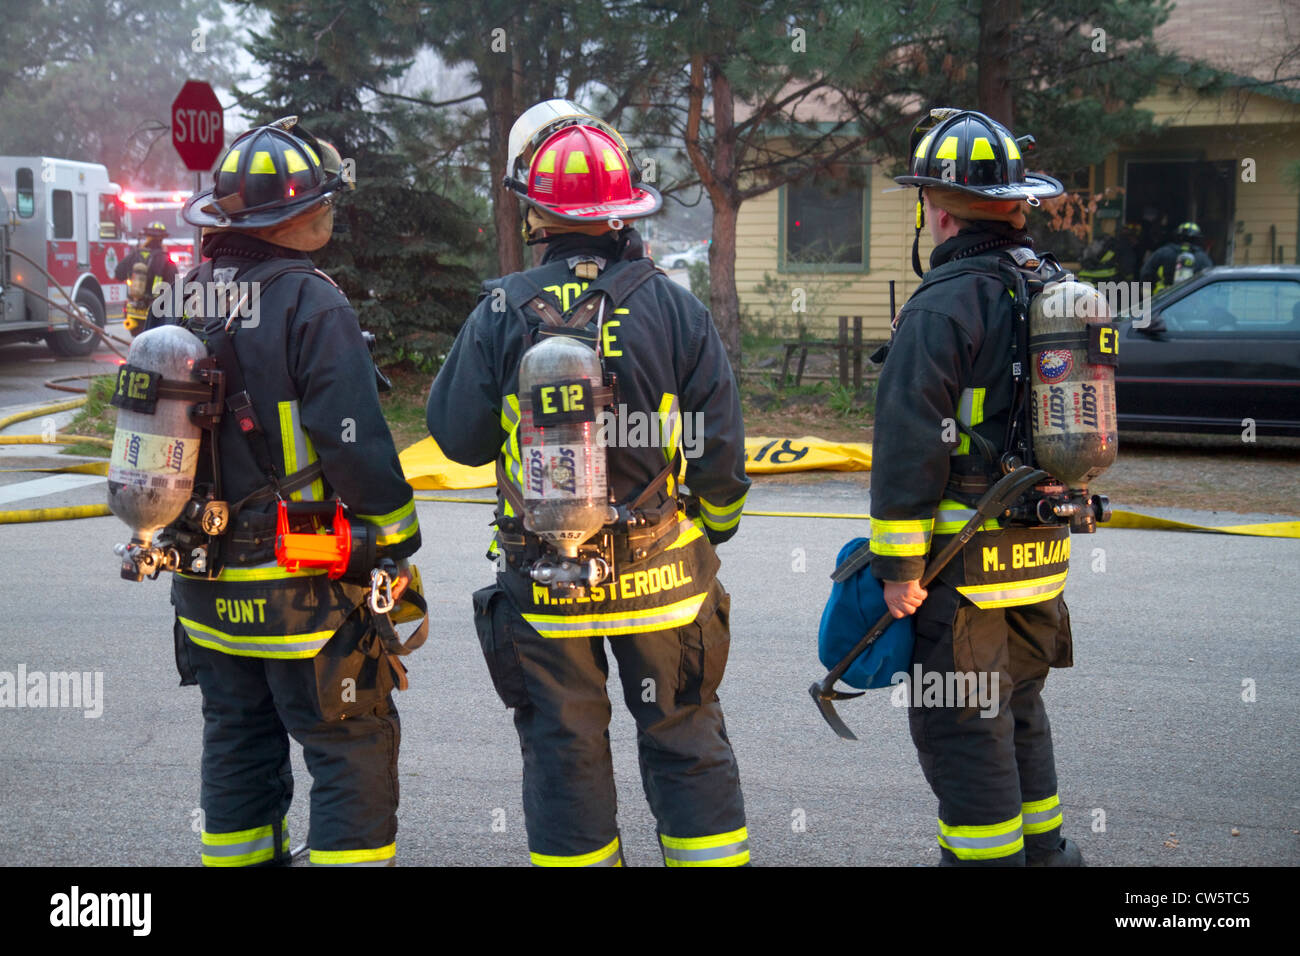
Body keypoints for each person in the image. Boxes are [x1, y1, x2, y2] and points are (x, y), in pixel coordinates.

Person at [427, 100, 750, 867]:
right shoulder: (672, 306)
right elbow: (721, 447)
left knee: (565, 750)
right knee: (683, 733)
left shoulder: (503, 309)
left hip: (544, 582)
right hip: (663, 574)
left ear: (535, 209)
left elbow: (457, 438)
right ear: (626, 208)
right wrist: (716, 523)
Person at [160, 116, 421, 866]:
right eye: (324, 204)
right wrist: (396, 545)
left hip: (203, 587)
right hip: (301, 588)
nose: (331, 215)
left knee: (237, 742)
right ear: (294, 217)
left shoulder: (183, 295)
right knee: (349, 743)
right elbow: (354, 443)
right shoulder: (314, 303)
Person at [875, 107, 1084, 866]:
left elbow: (906, 451)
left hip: (962, 574)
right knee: (1021, 715)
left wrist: (898, 571)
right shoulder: (1055, 288)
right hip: (1040, 563)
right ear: (1018, 200)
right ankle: (1050, 859)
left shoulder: (941, 305)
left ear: (936, 205)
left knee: (965, 733)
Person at [116, 220, 177, 335]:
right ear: (162, 238)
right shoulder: (166, 259)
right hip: (156, 313)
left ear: (147, 236)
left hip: (134, 312)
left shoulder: (135, 255)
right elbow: (174, 285)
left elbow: (118, 273)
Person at [1140, 221, 1214, 293]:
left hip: (1162, 298)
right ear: (1197, 238)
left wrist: (1147, 298)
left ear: (1178, 236)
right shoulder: (1202, 258)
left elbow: (1146, 274)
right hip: (1191, 300)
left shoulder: (1163, 252)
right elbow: (1210, 280)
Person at [1076, 221, 1140, 286]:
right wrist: (1132, 283)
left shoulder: (1109, 243)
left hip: (1087, 278)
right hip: (1106, 281)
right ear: (1133, 237)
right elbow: (1127, 270)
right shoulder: (1125, 249)